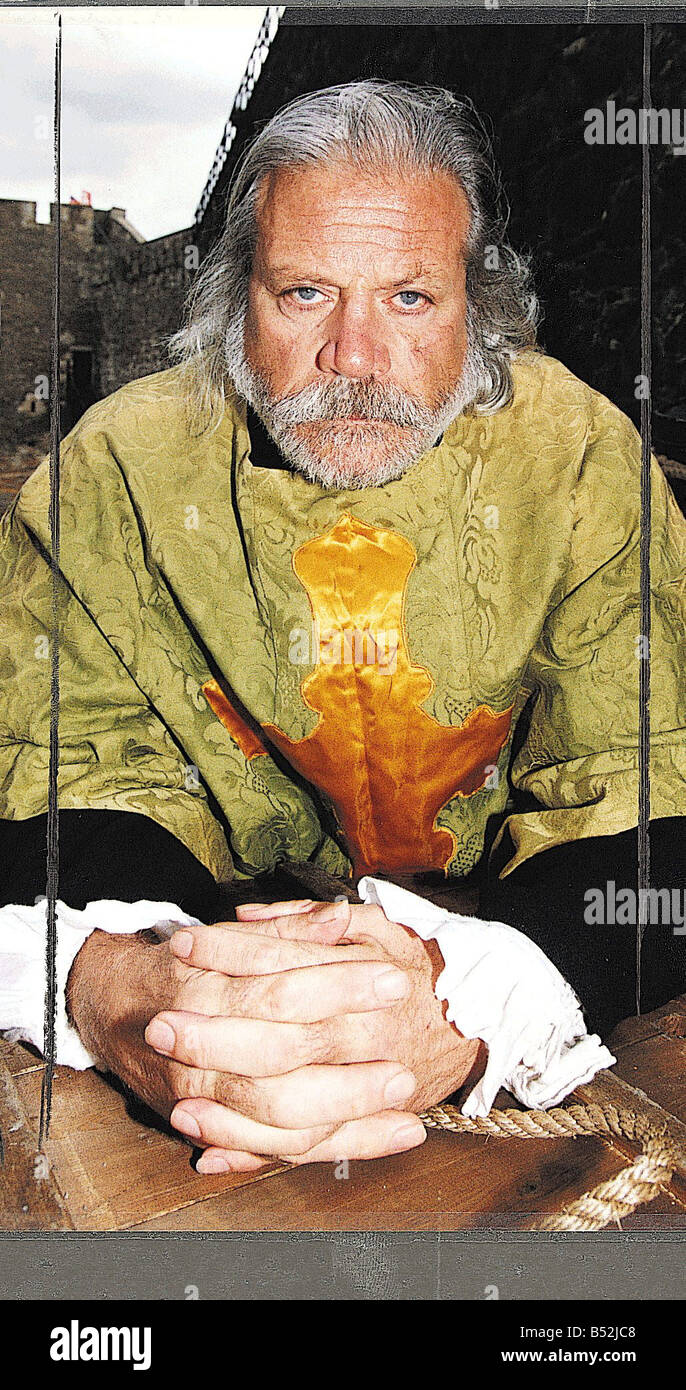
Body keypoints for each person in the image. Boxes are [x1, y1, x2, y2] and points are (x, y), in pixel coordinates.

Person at [1, 82, 684, 1176]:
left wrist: (469, 1004)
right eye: (306, 292)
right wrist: (143, 990)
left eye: (409, 297)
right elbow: (65, 764)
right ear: (235, 304)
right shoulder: (117, 470)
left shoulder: (581, 459)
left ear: (478, 306)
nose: (354, 357)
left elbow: (643, 774)